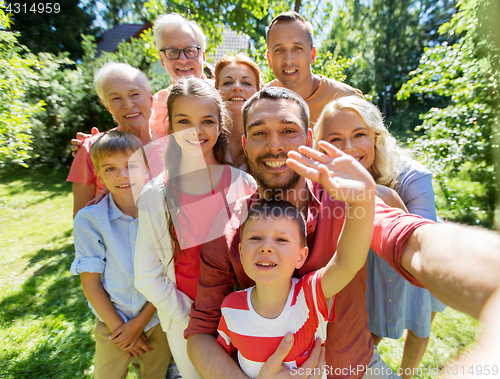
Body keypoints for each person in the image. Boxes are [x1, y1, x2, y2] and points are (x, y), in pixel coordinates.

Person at [186, 86, 404, 379]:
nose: (275, 145)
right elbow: (200, 334)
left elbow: (407, 236)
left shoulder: (349, 203)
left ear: (309, 140)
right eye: (259, 133)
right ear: (246, 143)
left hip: (357, 369)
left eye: (288, 130)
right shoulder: (225, 226)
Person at [313, 96, 446, 378]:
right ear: (322, 145)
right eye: (335, 139)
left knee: (420, 322)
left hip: (413, 262)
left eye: (359, 135)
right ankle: (364, 363)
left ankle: (407, 374)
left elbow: (423, 239)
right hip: (366, 262)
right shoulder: (321, 182)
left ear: (376, 136)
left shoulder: (412, 175)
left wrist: (378, 194)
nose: (348, 149)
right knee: (371, 323)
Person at [134, 77, 257, 378]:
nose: (196, 131)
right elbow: (146, 276)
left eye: (207, 121)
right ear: (171, 126)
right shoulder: (155, 195)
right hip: (187, 320)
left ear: (220, 124)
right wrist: (192, 315)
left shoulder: (242, 184)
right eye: (184, 120)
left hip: (243, 315)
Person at [217, 191, 375, 378]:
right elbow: (224, 356)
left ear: (301, 257)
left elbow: (346, 262)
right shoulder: (231, 308)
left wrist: (361, 198)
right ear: (241, 252)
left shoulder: (309, 296)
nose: (266, 246)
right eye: (255, 238)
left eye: (281, 239)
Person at [70, 130, 170, 379]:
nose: (123, 175)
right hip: (111, 321)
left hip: (157, 317)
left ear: (147, 167)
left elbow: (170, 273)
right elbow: (91, 284)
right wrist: (121, 330)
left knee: (155, 375)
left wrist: (139, 324)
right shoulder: (90, 219)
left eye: (131, 166)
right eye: (111, 169)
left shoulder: (165, 211)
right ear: (99, 174)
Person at [67, 62, 156, 217]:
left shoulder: (171, 145)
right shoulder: (90, 148)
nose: (128, 105)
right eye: (116, 98)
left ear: (150, 97)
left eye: (135, 94)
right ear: (107, 106)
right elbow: (81, 220)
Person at [264, 11, 362, 126]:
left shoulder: (347, 100)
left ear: (312, 55)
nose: (288, 59)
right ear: (269, 59)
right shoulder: (260, 103)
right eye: (279, 50)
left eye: (297, 48)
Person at [149, 13, 211, 137]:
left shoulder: (225, 94)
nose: (183, 60)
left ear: (203, 56)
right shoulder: (153, 107)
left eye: (190, 50)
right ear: (162, 59)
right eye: (172, 52)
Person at [214, 53, 263, 168]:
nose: (237, 87)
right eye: (227, 83)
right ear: (216, 90)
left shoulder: (269, 140)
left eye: (246, 83)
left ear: (259, 91)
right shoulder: (204, 139)